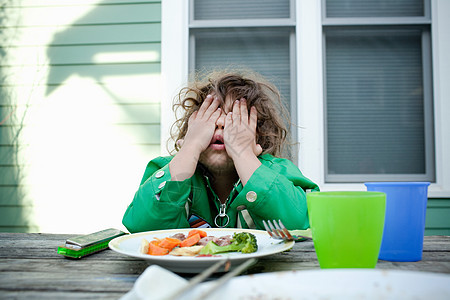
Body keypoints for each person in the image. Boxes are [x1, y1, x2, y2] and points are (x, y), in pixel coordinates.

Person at [122, 69, 319, 233]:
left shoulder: (280, 172)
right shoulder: (167, 169)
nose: (221, 123)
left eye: (235, 119)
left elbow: (302, 225)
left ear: (258, 138)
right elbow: (142, 228)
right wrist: (189, 150)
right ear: (189, 133)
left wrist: (244, 155)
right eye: (210, 117)